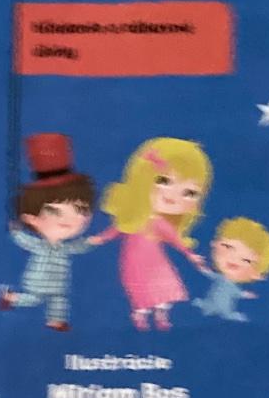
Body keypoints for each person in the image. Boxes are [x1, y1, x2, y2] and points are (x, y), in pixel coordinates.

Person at [90, 137, 211, 330]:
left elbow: (175, 239)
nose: (173, 195)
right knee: (140, 291)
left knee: (163, 289)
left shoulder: (160, 223)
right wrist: (99, 238)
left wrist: (191, 255)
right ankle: (140, 315)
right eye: (164, 180)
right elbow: (117, 230)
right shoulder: (134, 219)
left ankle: (162, 316)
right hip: (134, 263)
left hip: (156, 263)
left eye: (189, 192)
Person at [0, 133, 97, 331]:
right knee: (33, 299)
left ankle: (55, 321)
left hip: (59, 284)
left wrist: (90, 242)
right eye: (54, 212)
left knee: (59, 300)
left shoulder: (64, 247)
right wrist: (16, 232)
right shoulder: (40, 246)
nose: (69, 220)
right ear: (31, 218)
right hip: (38, 282)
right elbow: (26, 241)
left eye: (80, 210)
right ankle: (11, 298)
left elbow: (76, 247)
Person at [193, 218, 269, 321]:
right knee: (208, 307)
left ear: (257, 274)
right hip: (207, 307)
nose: (234, 259)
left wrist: (247, 295)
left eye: (246, 260)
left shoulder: (232, 286)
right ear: (214, 244)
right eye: (228, 247)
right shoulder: (221, 278)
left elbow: (238, 293)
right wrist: (202, 268)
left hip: (225, 308)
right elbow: (210, 274)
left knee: (226, 313)